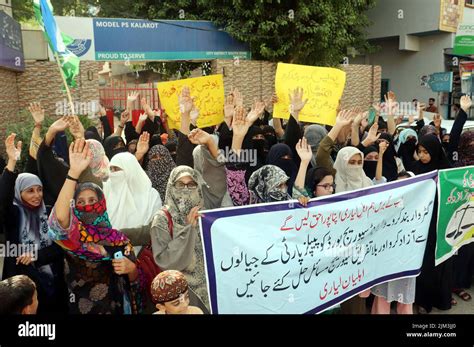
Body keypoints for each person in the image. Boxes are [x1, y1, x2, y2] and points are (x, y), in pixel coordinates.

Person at [48, 139, 144, 314]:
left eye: (93, 201)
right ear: (74, 207)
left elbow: (136, 281)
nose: (88, 206)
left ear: (102, 203)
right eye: (81, 202)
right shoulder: (73, 237)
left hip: (117, 308)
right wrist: (73, 173)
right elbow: (61, 217)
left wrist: (131, 269)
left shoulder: (118, 239)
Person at [0, 133, 67, 314]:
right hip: (25, 288)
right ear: (19, 193)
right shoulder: (13, 215)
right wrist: (12, 163)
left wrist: (37, 255)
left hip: (54, 281)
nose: (37, 195)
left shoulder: (49, 211)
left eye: (39, 190)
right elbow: (3, 200)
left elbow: (60, 246)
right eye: (30, 191)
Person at [150, 165, 208, 308]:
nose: (186, 189)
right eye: (180, 184)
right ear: (171, 187)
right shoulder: (162, 219)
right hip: (182, 295)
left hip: (211, 289)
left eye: (191, 184)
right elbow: (164, 261)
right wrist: (189, 230)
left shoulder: (205, 213)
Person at [413, 134, 453, 313]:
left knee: (441, 262)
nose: (422, 156)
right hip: (422, 224)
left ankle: (441, 299)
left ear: (435, 151)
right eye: (419, 151)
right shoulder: (417, 168)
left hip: (441, 223)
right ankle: (423, 301)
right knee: (425, 263)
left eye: (426, 152)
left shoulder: (445, 170)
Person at [371, 171, 417, 314]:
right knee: (383, 293)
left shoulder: (419, 204)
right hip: (387, 256)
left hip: (406, 257)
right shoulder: (386, 202)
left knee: (405, 294)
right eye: (398, 183)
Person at [103, 151, 162, 230]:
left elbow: (155, 227)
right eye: (111, 169)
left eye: (116, 169)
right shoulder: (106, 191)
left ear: (129, 169)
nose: (113, 173)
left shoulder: (151, 196)